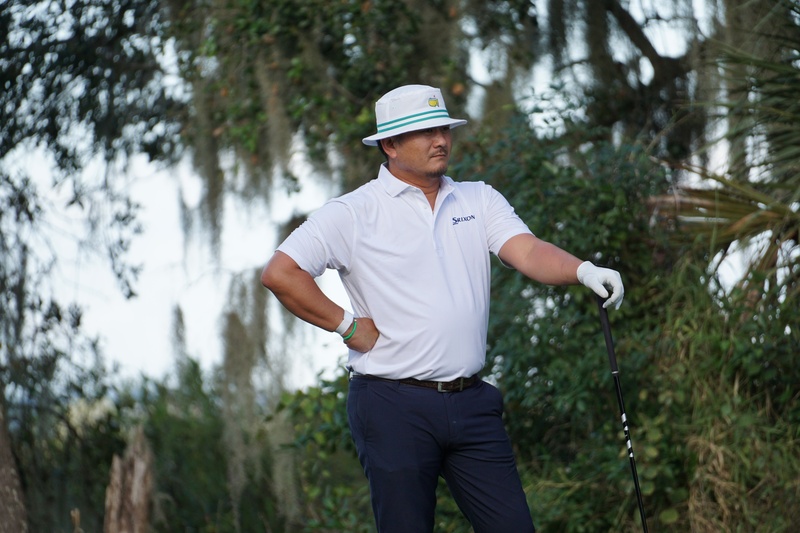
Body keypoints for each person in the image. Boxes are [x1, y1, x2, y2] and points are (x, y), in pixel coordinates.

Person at [261, 84, 624, 533]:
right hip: (392, 405)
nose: (441, 140)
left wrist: (583, 270)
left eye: (445, 130)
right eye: (426, 132)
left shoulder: (478, 198)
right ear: (390, 145)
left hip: (472, 402)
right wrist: (347, 326)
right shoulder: (353, 212)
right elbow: (281, 272)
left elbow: (528, 251)